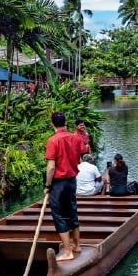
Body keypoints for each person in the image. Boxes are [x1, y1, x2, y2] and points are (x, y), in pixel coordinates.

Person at [44, 112, 86, 261]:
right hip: (72, 181)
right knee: (72, 211)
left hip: (59, 183)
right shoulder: (75, 138)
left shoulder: (53, 141)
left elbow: (51, 167)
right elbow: (80, 156)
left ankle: (68, 252)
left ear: (52, 124)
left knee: (59, 215)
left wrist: (47, 185)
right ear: (66, 123)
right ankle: (77, 246)